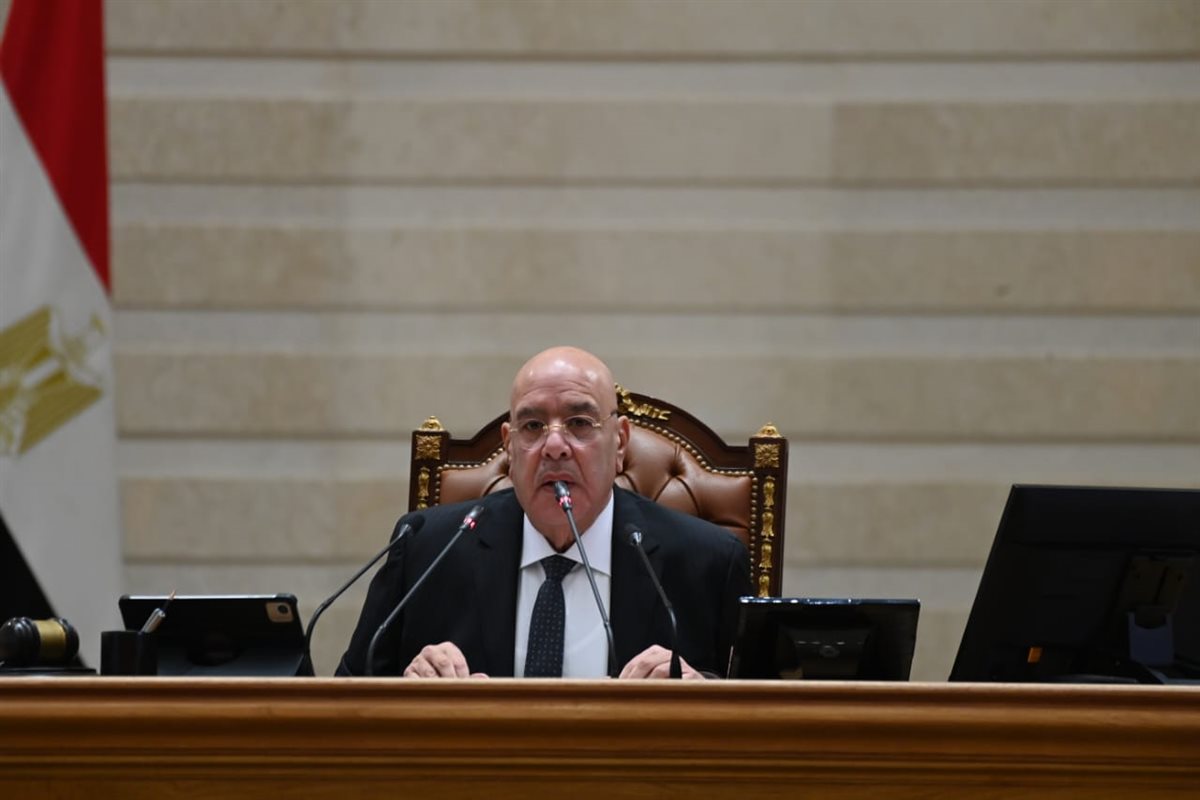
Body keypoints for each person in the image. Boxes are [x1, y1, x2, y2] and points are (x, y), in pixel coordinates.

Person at [337, 346, 751, 679]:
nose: (554, 446)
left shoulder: (706, 563)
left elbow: (759, 722)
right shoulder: (427, 550)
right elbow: (350, 702)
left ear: (620, 442)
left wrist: (703, 697)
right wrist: (409, 688)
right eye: (533, 426)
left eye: (579, 423)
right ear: (510, 446)